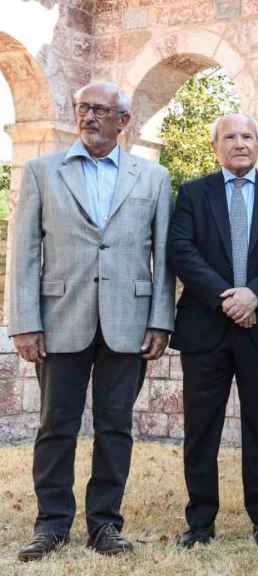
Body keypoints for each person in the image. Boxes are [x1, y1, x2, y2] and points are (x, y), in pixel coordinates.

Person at [9, 81, 175, 561]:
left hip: (130, 320)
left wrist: (160, 319)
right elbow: (23, 254)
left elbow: (163, 256)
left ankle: (105, 525)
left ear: (124, 121)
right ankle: (51, 525)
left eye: (101, 110)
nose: (89, 117)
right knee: (55, 425)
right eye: (83, 108)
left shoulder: (153, 178)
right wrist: (24, 321)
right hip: (59, 318)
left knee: (115, 426)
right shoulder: (42, 172)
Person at [167, 113, 258, 549]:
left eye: (247, 136)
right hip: (206, 325)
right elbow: (181, 250)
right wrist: (227, 296)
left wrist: (253, 296)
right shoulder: (192, 193)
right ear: (216, 146)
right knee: (201, 426)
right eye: (230, 137)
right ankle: (200, 522)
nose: (239, 143)